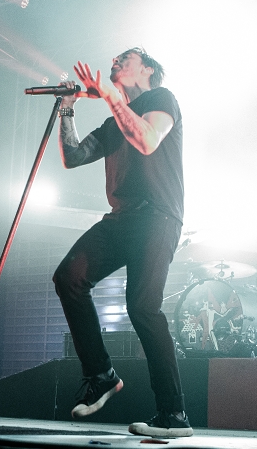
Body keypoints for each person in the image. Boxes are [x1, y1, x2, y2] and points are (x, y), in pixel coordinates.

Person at [52, 47, 191, 438]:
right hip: (121, 218)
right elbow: (73, 157)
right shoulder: (113, 121)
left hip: (158, 216)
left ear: (146, 69)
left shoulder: (161, 99)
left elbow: (147, 140)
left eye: (123, 59)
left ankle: (174, 414)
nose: (113, 62)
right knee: (69, 277)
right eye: (114, 60)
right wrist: (67, 108)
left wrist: (109, 95)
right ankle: (101, 375)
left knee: (143, 307)